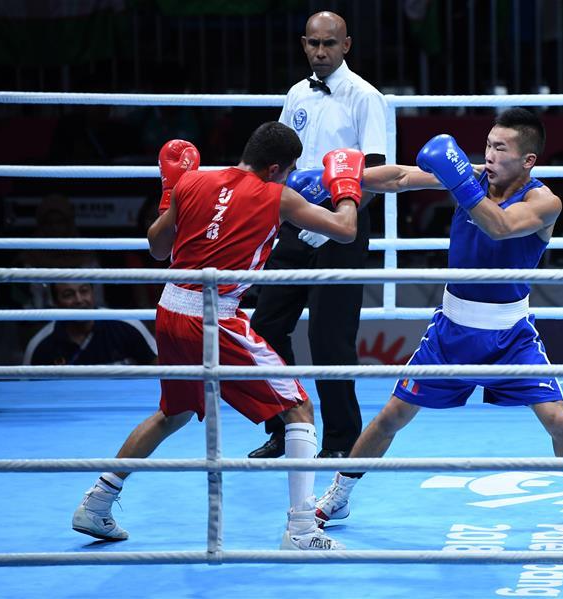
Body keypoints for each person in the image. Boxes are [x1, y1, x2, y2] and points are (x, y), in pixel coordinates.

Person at [315, 108, 563, 535]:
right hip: (451, 332)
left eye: (501, 148)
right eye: (488, 144)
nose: (489, 155)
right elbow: (400, 177)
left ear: (528, 160)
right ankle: (340, 493)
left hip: (511, 337)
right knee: (392, 416)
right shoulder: (470, 178)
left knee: (558, 421)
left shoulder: (544, 202)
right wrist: (340, 180)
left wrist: (459, 183)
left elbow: (501, 227)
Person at [71, 123, 365, 551]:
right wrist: (347, 185)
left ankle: (96, 502)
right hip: (214, 316)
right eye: (288, 171)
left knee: (173, 413)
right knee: (299, 407)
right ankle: (302, 530)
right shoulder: (277, 196)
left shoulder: (192, 182)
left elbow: (157, 248)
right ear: (276, 168)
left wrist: (170, 194)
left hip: (170, 308)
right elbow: (345, 228)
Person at [248, 10, 387, 461]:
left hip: (342, 224)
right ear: (303, 44)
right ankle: (285, 429)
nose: (320, 51)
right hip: (293, 221)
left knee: (331, 340)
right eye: (313, 43)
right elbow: (277, 161)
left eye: (329, 43)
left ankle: (341, 444)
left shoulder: (365, 96)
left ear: (346, 45)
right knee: (265, 328)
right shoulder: (296, 94)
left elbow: (375, 175)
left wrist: (332, 222)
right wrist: (277, 217)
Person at [23, 282, 157, 366]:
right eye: (68, 295)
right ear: (55, 303)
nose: (79, 299)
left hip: (126, 402)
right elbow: (27, 392)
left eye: (84, 291)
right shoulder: (41, 345)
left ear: (93, 293)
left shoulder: (127, 325)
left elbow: (159, 367)